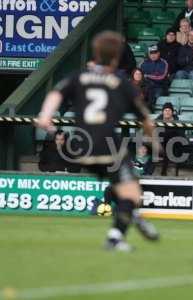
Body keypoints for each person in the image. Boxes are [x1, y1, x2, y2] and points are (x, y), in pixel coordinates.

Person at [36, 31, 160, 251]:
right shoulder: (121, 83)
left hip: (80, 147)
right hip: (107, 146)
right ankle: (116, 235)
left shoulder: (79, 77)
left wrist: (46, 117)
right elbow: (145, 119)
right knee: (132, 193)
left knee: (119, 186)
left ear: (95, 53)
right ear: (116, 57)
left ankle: (133, 215)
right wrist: (153, 139)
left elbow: (56, 93)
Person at [156, 102, 184, 176]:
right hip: (159, 143)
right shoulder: (157, 120)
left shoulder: (177, 122)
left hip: (173, 144)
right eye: (165, 110)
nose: (167, 112)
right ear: (163, 112)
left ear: (172, 112)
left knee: (168, 145)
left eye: (169, 110)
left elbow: (181, 136)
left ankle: (164, 172)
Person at [141, 45, 169, 111]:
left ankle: (151, 112)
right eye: (151, 53)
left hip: (159, 87)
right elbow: (140, 76)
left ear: (158, 53)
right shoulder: (143, 63)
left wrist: (147, 76)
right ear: (148, 54)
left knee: (155, 96)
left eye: (155, 53)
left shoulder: (164, 63)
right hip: (146, 86)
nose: (153, 55)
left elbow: (162, 77)